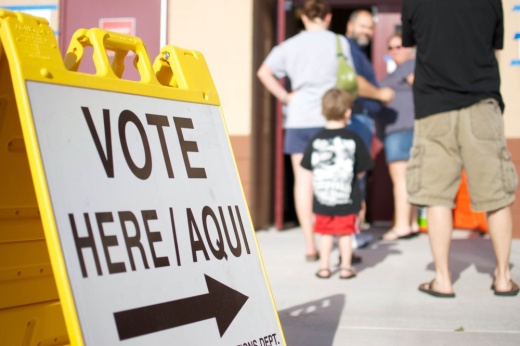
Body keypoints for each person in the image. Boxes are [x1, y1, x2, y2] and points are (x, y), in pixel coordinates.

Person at [257, 0, 392, 262]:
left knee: (303, 182)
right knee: (337, 180)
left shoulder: (289, 45)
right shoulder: (339, 42)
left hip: (298, 120)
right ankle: (342, 243)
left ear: (303, 18)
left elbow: (264, 72)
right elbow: (350, 79)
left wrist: (285, 97)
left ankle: (310, 245)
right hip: (328, 118)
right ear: (329, 17)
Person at [402, 0, 518, 297]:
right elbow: (496, 49)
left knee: (437, 197)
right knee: (496, 195)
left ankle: (442, 280)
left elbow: (412, 46)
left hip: (433, 108)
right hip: (482, 103)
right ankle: (503, 277)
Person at [301, 88, 373, 279]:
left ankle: (324, 267)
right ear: (348, 112)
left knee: (325, 234)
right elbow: (362, 168)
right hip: (347, 199)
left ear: (323, 111)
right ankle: (345, 268)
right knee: (345, 235)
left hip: (322, 199)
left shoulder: (315, 140)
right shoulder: (354, 139)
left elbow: (308, 166)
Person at [345, 9, 387, 233]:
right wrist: (381, 95)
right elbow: (355, 81)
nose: (368, 31)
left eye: (370, 27)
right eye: (363, 25)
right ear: (349, 26)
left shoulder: (360, 52)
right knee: (355, 175)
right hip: (355, 118)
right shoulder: (347, 47)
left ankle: (353, 231)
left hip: (362, 119)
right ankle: (351, 233)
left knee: (358, 175)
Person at [378, 33, 420, 240]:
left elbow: (421, 89)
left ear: (409, 47)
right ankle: (411, 223)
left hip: (401, 130)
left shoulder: (411, 65)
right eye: (391, 47)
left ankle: (402, 225)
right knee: (409, 179)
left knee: (401, 179)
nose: (396, 50)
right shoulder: (396, 72)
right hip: (401, 130)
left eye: (400, 46)